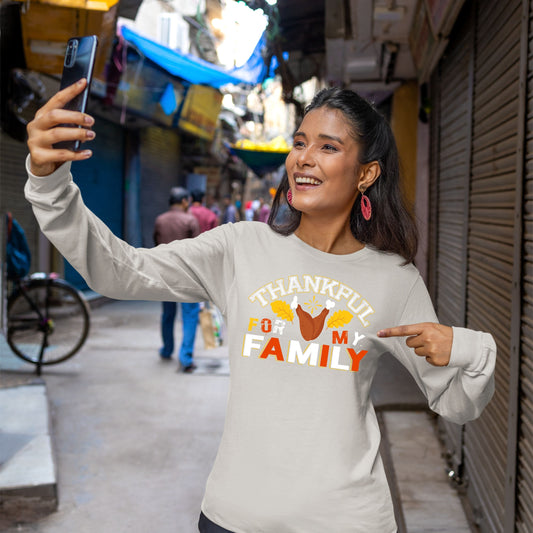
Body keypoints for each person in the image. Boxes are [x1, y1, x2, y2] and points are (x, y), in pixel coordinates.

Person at [25, 80, 496, 533]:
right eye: (299, 142)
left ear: (367, 173)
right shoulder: (240, 247)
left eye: (328, 147)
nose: (304, 159)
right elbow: (119, 270)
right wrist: (51, 187)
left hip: (346, 520)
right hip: (235, 517)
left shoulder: (393, 279)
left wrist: (470, 349)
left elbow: (455, 403)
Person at [153, 187, 200, 372]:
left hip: (165, 274)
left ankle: (166, 350)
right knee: (190, 316)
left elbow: (156, 245)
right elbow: (199, 251)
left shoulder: (160, 220)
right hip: (187, 276)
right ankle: (186, 358)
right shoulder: (190, 220)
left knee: (167, 315)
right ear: (184, 202)